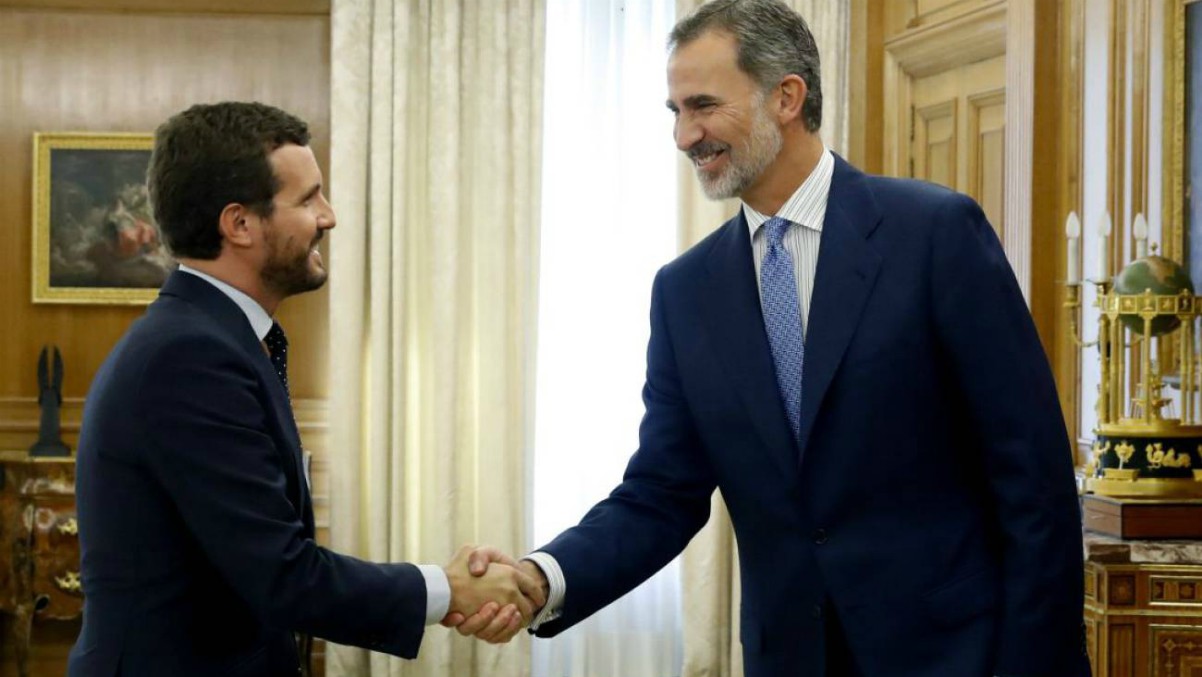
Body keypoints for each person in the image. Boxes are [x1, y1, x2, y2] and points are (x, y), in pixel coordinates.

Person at [448, 1, 1091, 675]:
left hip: (958, 656)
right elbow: (661, 494)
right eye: (675, 112)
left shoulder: (933, 235)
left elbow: (1033, 483)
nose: (684, 136)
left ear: (786, 96)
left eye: (702, 106)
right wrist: (541, 576)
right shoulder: (685, 293)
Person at [68, 102, 542, 676]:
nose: (329, 215)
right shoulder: (189, 357)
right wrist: (445, 590)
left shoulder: (210, 338)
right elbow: (282, 575)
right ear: (239, 224)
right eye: (308, 198)